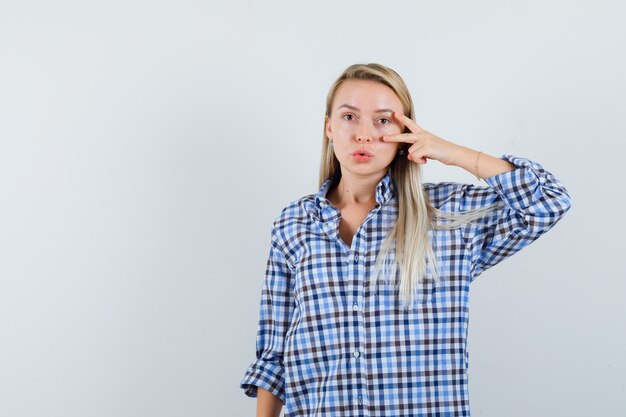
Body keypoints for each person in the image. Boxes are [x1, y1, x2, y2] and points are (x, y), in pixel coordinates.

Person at [239, 63, 572, 417]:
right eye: (349, 117)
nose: (364, 134)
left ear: (406, 131)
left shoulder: (447, 216)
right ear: (329, 128)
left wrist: (454, 152)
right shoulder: (294, 223)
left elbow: (549, 201)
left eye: (383, 120)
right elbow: (273, 357)